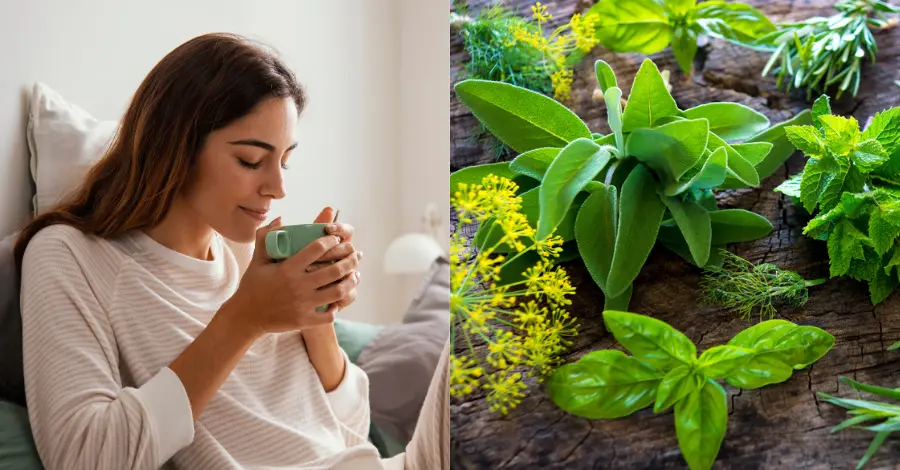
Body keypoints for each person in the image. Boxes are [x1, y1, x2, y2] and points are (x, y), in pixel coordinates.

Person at [13, 33, 449, 470]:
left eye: (284, 161)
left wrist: (317, 319)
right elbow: (85, 457)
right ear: (175, 148)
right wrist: (245, 318)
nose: (278, 188)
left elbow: (350, 436)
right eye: (250, 161)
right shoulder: (70, 256)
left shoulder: (250, 255)